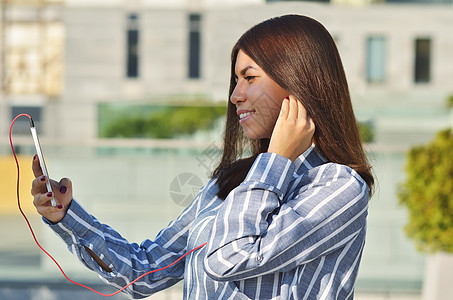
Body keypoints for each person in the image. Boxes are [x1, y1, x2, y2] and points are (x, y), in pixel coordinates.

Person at [31, 14, 374, 299]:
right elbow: (146, 269)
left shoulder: (339, 188)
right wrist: (67, 217)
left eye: (249, 78)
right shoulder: (234, 181)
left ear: (297, 82)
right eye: (234, 81)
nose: (235, 96)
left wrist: (275, 163)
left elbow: (231, 257)